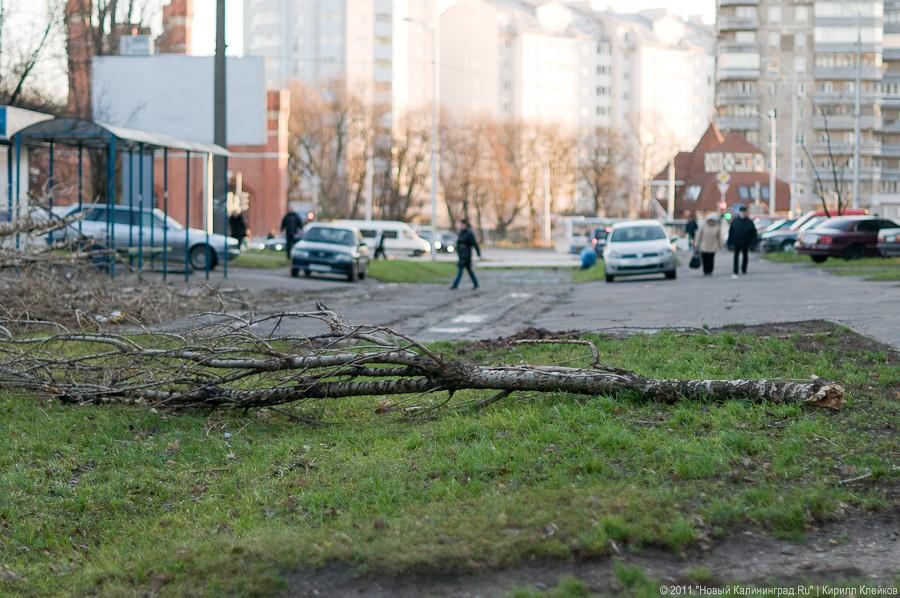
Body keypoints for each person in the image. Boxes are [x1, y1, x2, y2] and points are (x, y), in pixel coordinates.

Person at [727, 205, 758, 278]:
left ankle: (744, 269)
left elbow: (753, 233)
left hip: (746, 242)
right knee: (736, 256)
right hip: (736, 242)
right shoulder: (735, 221)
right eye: (741, 212)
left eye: (744, 212)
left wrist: (753, 243)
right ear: (739, 212)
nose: (743, 213)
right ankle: (735, 270)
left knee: (745, 256)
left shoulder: (749, 222)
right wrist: (729, 243)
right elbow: (731, 233)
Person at [450, 219, 481, 290]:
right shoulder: (461, 233)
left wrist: (478, 253)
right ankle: (476, 284)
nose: (461, 226)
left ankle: (455, 284)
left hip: (466, 255)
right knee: (469, 271)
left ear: (465, 225)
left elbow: (474, 244)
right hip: (461, 255)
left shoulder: (469, 234)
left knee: (460, 270)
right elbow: (458, 243)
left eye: (462, 225)